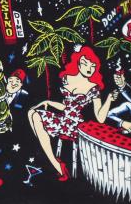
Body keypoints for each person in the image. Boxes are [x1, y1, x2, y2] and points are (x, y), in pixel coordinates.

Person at [27, 46, 117, 181]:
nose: (89, 68)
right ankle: (53, 160)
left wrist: (109, 99)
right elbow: (65, 107)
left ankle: (57, 166)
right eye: (85, 63)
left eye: (92, 66)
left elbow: (100, 118)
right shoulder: (67, 78)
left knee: (36, 117)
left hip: (75, 125)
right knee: (32, 113)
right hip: (63, 119)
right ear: (78, 63)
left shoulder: (94, 88)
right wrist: (48, 102)